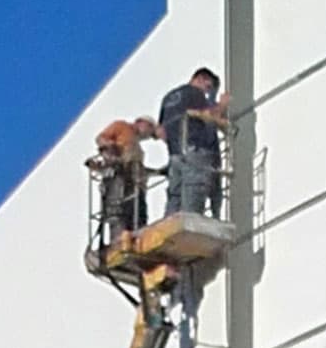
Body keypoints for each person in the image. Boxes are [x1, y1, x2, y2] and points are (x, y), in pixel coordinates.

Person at [158, 67, 229, 218]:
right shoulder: (194, 92)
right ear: (200, 79)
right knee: (193, 198)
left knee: (175, 198)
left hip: (175, 155)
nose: (207, 93)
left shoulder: (168, 97)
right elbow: (210, 115)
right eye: (208, 87)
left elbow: (161, 132)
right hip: (194, 151)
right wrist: (222, 105)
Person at [89, 116, 161, 249]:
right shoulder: (121, 126)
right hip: (120, 178)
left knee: (137, 215)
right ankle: (119, 243)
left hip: (135, 184)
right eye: (149, 130)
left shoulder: (136, 146)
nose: (148, 136)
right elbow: (101, 138)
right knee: (118, 213)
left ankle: (135, 242)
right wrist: (111, 150)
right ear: (141, 123)